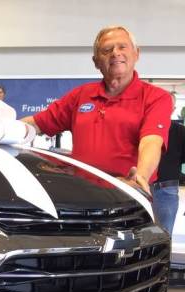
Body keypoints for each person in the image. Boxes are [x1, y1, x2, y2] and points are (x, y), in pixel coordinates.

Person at [22, 26, 171, 214]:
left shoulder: (156, 97)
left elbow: (151, 140)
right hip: (79, 198)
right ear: (96, 61)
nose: (115, 53)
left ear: (136, 54)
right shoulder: (81, 95)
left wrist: (140, 177)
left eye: (122, 47)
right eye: (107, 50)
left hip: (127, 197)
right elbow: (37, 123)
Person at [152, 92, 185, 234]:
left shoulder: (180, 132)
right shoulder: (141, 129)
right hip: (140, 189)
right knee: (138, 237)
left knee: (163, 236)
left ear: (173, 108)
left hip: (166, 190)